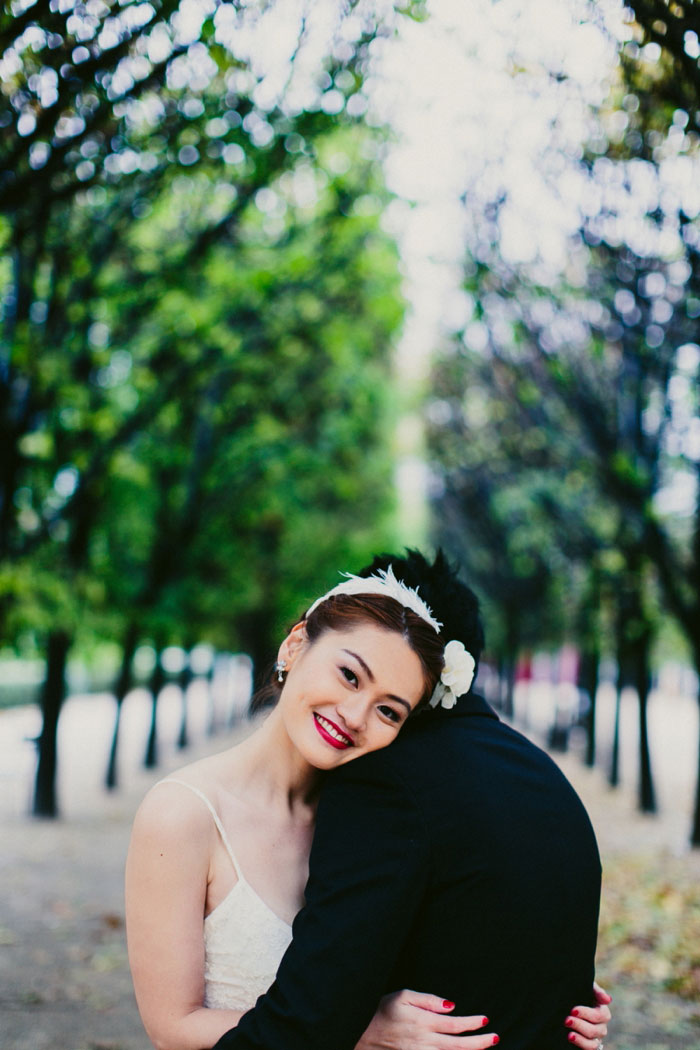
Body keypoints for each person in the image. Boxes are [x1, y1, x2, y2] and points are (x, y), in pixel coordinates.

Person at [125, 550, 611, 1050]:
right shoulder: (181, 814)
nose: (355, 715)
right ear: (295, 645)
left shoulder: (378, 816)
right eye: (349, 675)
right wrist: (356, 1030)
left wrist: (548, 992)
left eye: (389, 711)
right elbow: (172, 1026)